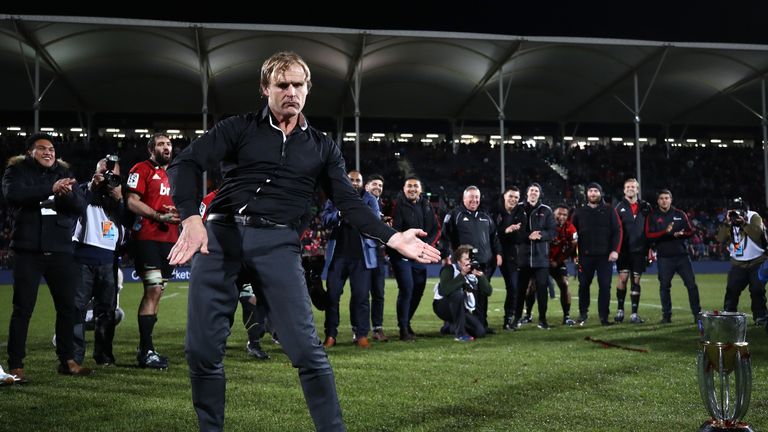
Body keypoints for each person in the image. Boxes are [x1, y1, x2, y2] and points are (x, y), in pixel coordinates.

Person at [166, 51, 441, 432]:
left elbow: (348, 203)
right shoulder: (238, 128)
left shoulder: (323, 147)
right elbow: (183, 164)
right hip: (219, 236)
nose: (291, 91)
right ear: (266, 89)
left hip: (278, 243)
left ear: (308, 89)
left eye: (298, 84)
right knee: (201, 351)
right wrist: (191, 219)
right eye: (282, 84)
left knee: (307, 351)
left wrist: (393, 237)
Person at [2, 133, 92, 381]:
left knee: (68, 308)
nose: (48, 152)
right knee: (23, 309)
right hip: (28, 250)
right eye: (42, 148)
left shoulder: (64, 173)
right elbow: (13, 195)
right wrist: (49, 189)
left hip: (61, 250)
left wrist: (68, 195)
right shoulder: (16, 171)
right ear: (30, 152)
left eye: (51, 149)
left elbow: (81, 207)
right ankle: (16, 364)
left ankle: (68, 360)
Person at [126, 132, 180, 369]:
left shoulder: (175, 172)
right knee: (154, 288)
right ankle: (146, 351)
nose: (166, 147)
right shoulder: (141, 168)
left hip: (170, 239)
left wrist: (176, 212)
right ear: (151, 149)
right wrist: (158, 215)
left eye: (169, 144)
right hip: (147, 236)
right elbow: (131, 201)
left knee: (157, 292)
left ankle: (145, 346)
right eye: (161, 144)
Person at [72, 157, 127, 366]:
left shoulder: (118, 197)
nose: (109, 178)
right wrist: (92, 187)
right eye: (105, 172)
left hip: (108, 260)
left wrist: (120, 199)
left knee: (107, 311)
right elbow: (75, 206)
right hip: (82, 258)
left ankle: (103, 355)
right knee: (76, 308)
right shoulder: (83, 190)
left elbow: (127, 224)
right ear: (96, 172)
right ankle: (74, 357)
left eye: (114, 176)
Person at [321, 170, 379, 349]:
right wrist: (339, 214)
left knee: (361, 297)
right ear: (346, 181)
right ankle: (331, 335)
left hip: (361, 258)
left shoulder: (370, 199)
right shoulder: (335, 198)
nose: (354, 183)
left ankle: (362, 335)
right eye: (351, 180)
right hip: (338, 256)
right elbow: (324, 219)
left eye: (357, 180)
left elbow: (375, 220)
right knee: (332, 297)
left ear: (362, 183)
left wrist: (357, 213)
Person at [443, 185, 502, 333]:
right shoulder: (454, 215)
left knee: (482, 295)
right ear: (464, 198)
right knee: (462, 294)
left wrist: (498, 253)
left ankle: (482, 325)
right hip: (463, 263)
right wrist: (446, 256)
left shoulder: (485, 216)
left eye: (476, 197)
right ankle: (454, 325)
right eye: (471, 197)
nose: (474, 200)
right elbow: (444, 237)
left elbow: (494, 237)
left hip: (484, 262)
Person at [389, 176, 441, 341]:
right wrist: (405, 247)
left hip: (419, 256)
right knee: (407, 289)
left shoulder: (426, 205)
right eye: (409, 186)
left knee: (418, 290)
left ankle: (407, 323)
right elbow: (392, 231)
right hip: (401, 256)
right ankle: (403, 328)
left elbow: (436, 228)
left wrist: (425, 247)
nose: (412, 189)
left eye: (415, 186)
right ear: (404, 189)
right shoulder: (396, 205)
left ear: (420, 189)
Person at [645, 189, 701, 323]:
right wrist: (665, 232)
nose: (664, 200)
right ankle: (666, 316)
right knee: (664, 286)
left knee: (691, 285)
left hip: (682, 256)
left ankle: (697, 314)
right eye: (661, 198)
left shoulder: (680, 214)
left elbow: (691, 231)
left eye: (666, 198)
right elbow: (648, 235)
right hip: (664, 257)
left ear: (671, 200)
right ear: (658, 201)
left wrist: (682, 235)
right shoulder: (652, 216)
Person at [571, 182, 622, 326]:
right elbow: (572, 232)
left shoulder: (609, 210)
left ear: (601, 193)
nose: (593, 193)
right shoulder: (579, 212)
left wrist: (615, 250)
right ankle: (582, 315)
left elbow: (617, 231)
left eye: (596, 191)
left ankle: (604, 317)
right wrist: (573, 253)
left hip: (605, 256)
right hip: (584, 257)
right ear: (587, 194)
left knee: (605, 286)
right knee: (583, 285)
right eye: (591, 191)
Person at [717, 197, 768, 326]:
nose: (737, 214)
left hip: (757, 260)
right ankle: (729, 315)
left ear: (746, 210)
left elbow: (756, 234)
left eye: (739, 211)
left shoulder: (754, 217)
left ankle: (760, 317)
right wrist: (727, 222)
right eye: (734, 211)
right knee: (732, 290)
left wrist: (743, 223)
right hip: (738, 262)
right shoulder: (729, 221)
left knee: (757, 290)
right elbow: (720, 238)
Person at [512, 183, 556, 330]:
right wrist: (528, 236)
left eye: (536, 190)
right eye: (531, 190)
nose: (533, 193)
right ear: (527, 192)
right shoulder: (518, 208)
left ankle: (542, 320)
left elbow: (552, 232)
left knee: (542, 290)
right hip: (523, 258)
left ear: (539, 194)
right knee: (520, 290)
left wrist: (541, 235)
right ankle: (516, 319)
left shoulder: (546, 210)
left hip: (541, 259)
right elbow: (515, 231)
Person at [433, 244, 492, 341]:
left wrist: (480, 276)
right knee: (458, 293)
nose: (470, 262)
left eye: (471, 259)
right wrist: (462, 275)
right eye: (467, 259)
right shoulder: (449, 269)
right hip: (442, 306)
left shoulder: (474, 273)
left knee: (480, 332)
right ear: (459, 261)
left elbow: (488, 292)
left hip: (461, 309)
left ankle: (449, 327)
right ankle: (460, 334)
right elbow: (444, 290)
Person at [614, 178, 652, 324]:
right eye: (628, 187)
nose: (630, 189)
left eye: (633, 187)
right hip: (623, 250)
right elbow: (616, 230)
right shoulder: (619, 208)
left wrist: (650, 248)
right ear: (624, 190)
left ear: (637, 189)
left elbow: (650, 228)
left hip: (640, 250)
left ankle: (634, 314)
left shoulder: (645, 207)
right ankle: (620, 310)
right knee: (623, 279)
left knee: (636, 280)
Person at [365, 174, 391, 341]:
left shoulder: (382, 205)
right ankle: (358, 330)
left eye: (380, 185)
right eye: (375, 184)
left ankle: (377, 328)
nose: (378, 187)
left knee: (379, 293)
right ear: (366, 186)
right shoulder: (361, 202)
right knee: (361, 294)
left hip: (378, 254)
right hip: (363, 253)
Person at [497, 186, 526, 330]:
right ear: (504, 196)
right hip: (492, 253)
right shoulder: (494, 210)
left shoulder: (520, 213)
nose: (513, 199)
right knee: (483, 286)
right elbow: (490, 232)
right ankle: (479, 318)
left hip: (510, 255)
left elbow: (521, 236)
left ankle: (509, 318)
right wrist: (506, 231)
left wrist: (512, 233)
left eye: (516, 197)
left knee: (513, 287)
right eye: (511, 196)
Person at [549, 204, 577, 326]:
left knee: (565, 284)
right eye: (559, 214)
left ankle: (566, 316)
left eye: (565, 214)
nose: (562, 217)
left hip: (558, 261)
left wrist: (559, 261)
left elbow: (572, 246)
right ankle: (527, 315)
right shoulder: (546, 225)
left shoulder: (571, 229)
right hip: (542, 261)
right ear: (553, 214)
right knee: (532, 286)